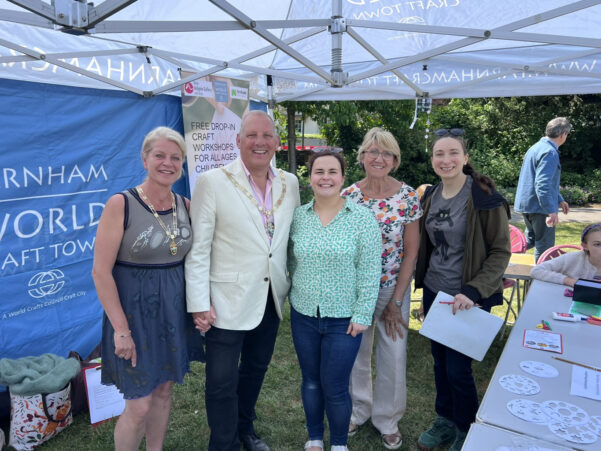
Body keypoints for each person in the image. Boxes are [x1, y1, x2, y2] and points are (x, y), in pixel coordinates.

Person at [185, 110, 300, 451]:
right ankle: (224, 443)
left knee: (255, 369)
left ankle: (245, 430)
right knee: (221, 381)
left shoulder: (290, 183)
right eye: (252, 135)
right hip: (224, 300)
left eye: (267, 136)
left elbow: (288, 241)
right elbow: (199, 248)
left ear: (277, 143)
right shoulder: (212, 181)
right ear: (238, 141)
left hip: (270, 296)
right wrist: (198, 302)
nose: (259, 142)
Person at [92, 126, 195, 451]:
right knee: (138, 405)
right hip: (134, 318)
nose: (168, 163)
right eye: (160, 155)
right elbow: (100, 272)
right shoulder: (121, 204)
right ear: (145, 158)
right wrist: (120, 330)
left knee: (164, 392)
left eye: (175, 157)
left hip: (172, 313)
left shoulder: (186, 205)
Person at [414, 128, 511, 451]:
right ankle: (444, 418)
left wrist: (474, 290)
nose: (446, 159)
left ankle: (465, 426)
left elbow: (500, 251)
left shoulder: (484, 196)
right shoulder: (430, 195)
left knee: (458, 368)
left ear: (465, 158)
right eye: (439, 154)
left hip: (467, 297)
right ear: (432, 160)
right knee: (440, 364)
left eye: (453, 153)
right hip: (435, 293)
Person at [288, 150, 381, 451]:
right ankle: (315, 437)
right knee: (311, 381)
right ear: (310, 177)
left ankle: (339, 443)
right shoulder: (298, 218)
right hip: (303, 313)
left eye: (332, 172)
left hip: (344, 318)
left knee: (336, 386)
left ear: (343, 177)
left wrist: (363, 314)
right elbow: (289, 262)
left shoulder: (361, 218)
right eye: (319, 172)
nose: (325, 177)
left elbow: (370, 270)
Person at [341, 128, 422, 450]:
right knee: (355, 355)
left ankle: (387, 419)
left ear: (395, 160)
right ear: (361, 156)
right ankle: (358, 411)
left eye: (386, 153)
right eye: (373, 151)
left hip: (393, 289)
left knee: (394, 355)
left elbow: (411, 251)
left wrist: (397, 300)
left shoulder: (407, 197)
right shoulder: (348, 196)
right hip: (355, 292)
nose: (379, 158)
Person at [514, 117, 572, 262]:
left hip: (527, 206)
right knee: (544, 247)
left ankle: (498, 255)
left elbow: (543, 182)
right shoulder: (550, 152)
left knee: (530, 240)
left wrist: (559, 199)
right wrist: (550, 210)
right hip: (540, 208)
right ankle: (538, 282)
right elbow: (542, 184)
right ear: (563, 134)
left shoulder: (535, 147)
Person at [530, 223, 601, 286]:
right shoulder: (573, 259)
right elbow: (536, 271)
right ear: (585, 246)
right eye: (597, 244)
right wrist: (568, 281)